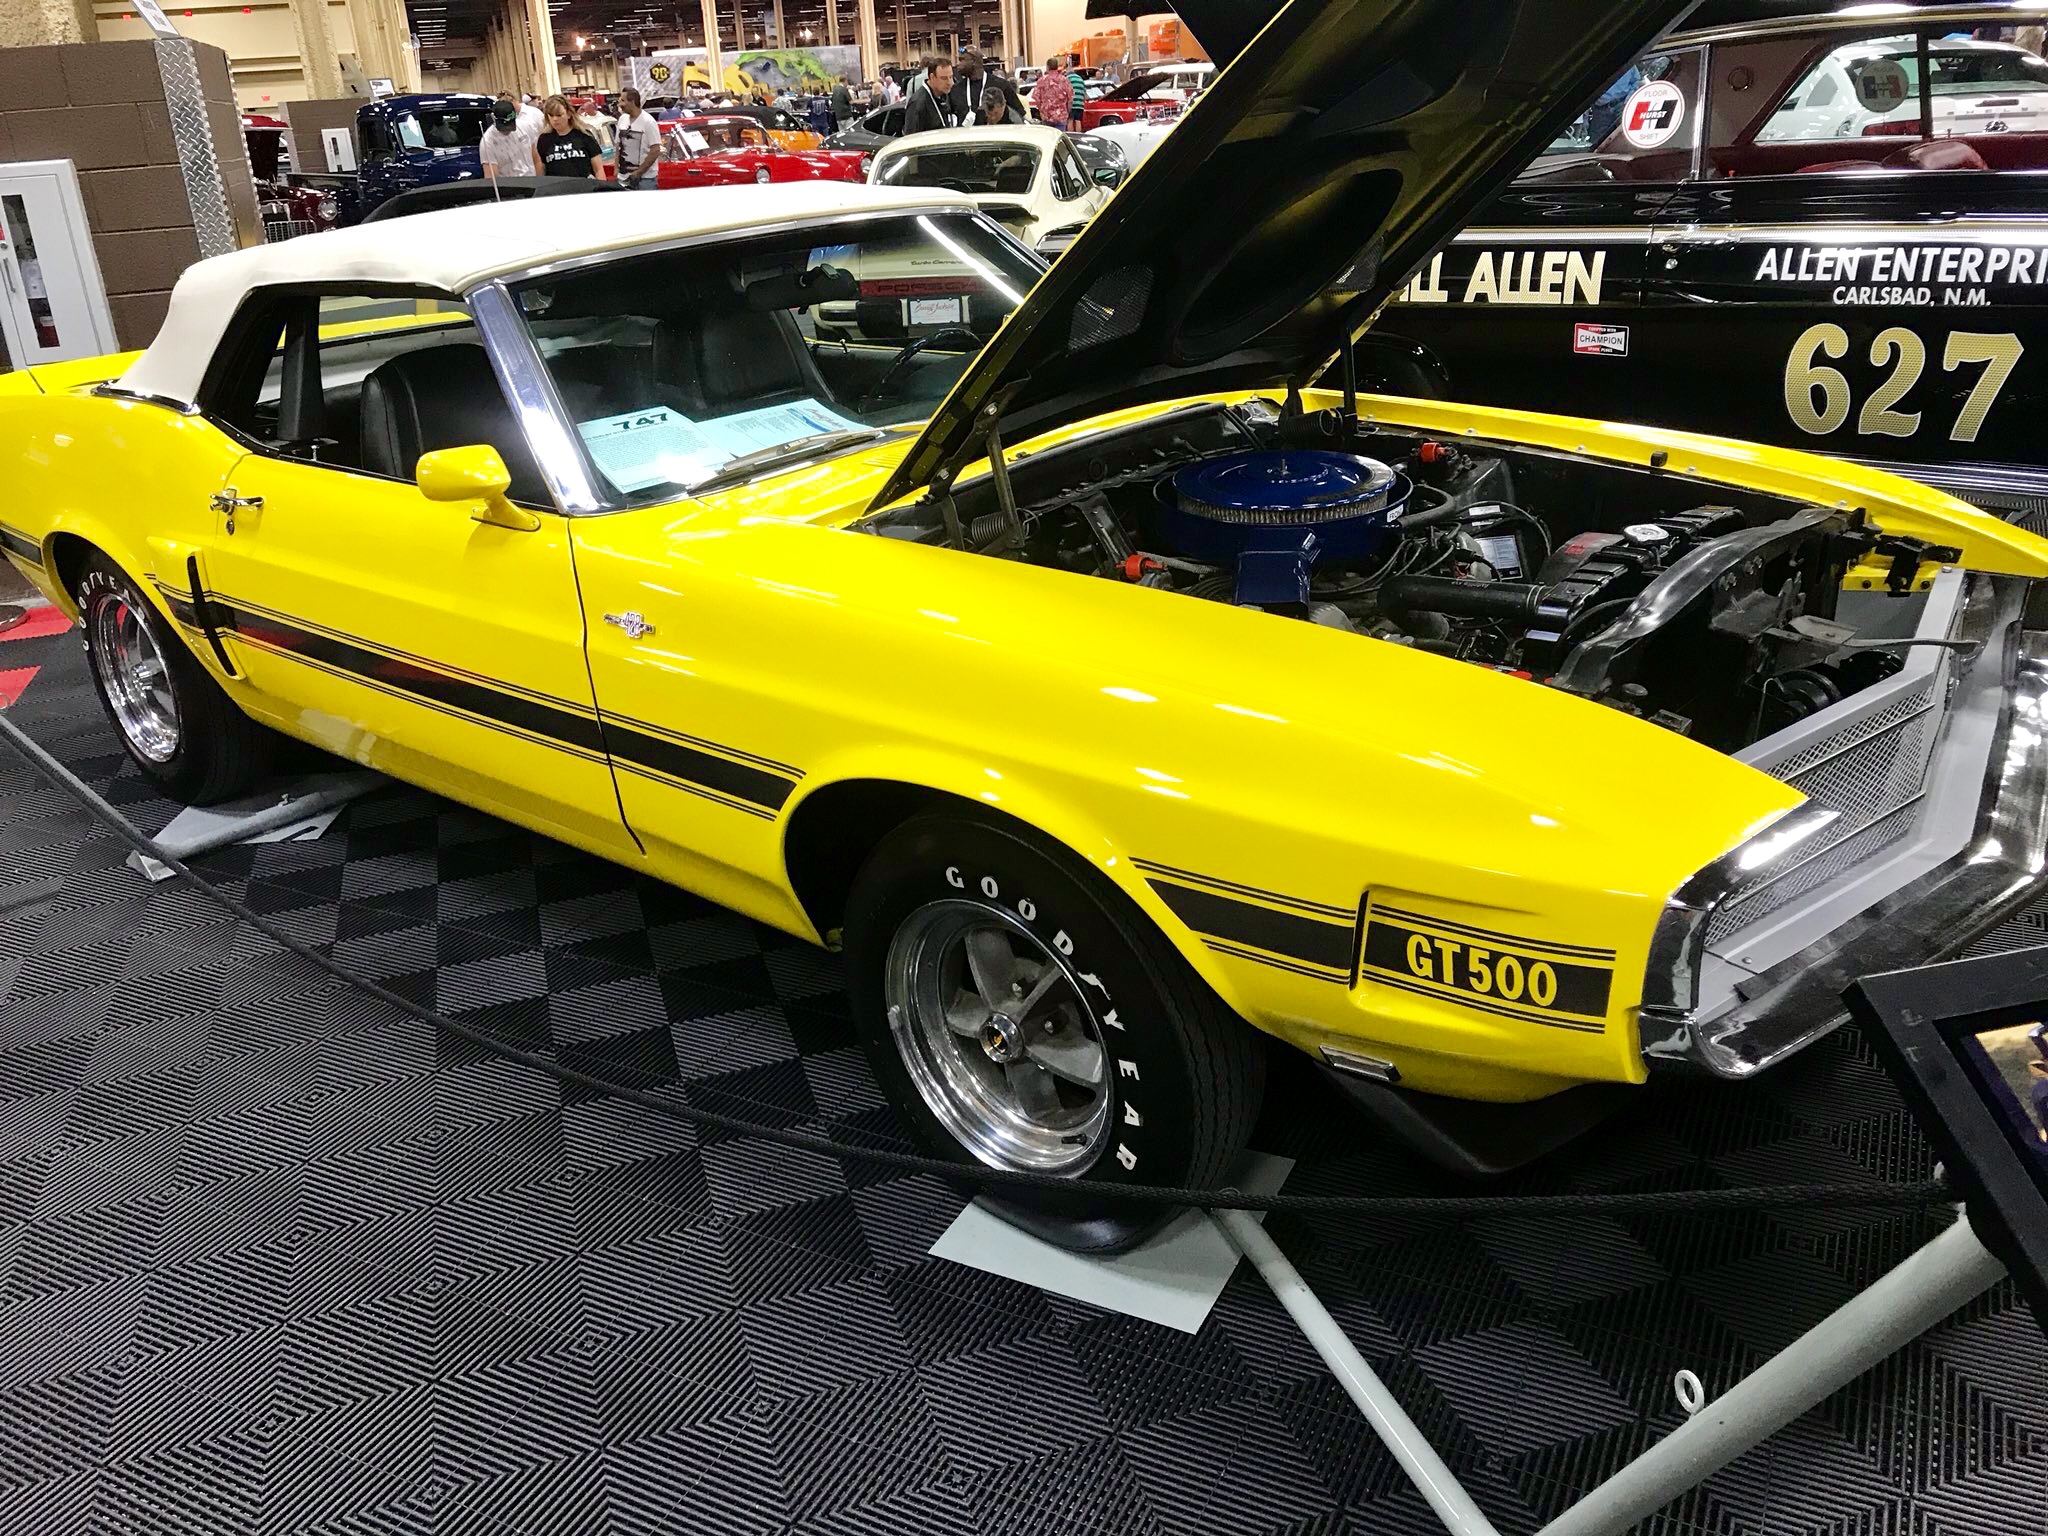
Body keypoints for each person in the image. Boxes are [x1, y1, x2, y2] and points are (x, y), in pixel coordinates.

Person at [949, 47, 1024, 123]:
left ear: (974, 61)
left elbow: (1019, 115)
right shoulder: (956, 90)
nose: (958, 64)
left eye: (962, 60)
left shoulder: (1002, 85)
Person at [534, 95, 602, 178]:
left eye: (559, 115)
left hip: (583, 184)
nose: (555, 119)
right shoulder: (544, 139)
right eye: (551, 115)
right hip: (557, 185)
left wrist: (601, 185)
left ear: (568, 114)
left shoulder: (584, 135)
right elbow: (541, 169)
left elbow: (598, 169)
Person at [613, 88, 663, 188]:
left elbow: (655, 150)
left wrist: (638, 173)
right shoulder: (622, 119)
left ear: (632, 102)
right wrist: (616, 168)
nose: (620, 105)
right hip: (623, 178)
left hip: (645, 180)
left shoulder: (648, 122)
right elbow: (618, 145)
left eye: (623, 101)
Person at [478, 97, 536, 180]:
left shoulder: (525, 127)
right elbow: (491, 177)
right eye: (504, 128)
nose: (507, 131)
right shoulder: (487, 142)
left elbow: (536, 159)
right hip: (509, 184)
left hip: (532, 180)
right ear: (493, 119)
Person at [903, 57, 957, 135]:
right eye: (944, 78)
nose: (950, 82)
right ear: (932, 77)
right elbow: (911, 137)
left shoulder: (944, 94)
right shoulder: (918, 103)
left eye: (951, 77)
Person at [1029, 54, 1071, 128]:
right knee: (1059, 134)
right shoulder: (1064, 80)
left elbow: (1036, 98)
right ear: (1057, 67)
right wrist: (1067, 111)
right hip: (1061, 116)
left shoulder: (1041, 81)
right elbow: (1070, 99)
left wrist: (1041, 111)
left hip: (1047, 116)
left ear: (1047, 67)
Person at [1066, 55, 1087, 132]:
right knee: (1078, 121)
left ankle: (1071, 135)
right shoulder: (1080, 79)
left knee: (1070, 120)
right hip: (1080, 104)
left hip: (1072, 104)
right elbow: (1084, 92)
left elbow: (1066, 91)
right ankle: (1078, 135)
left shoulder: (1068, 78)